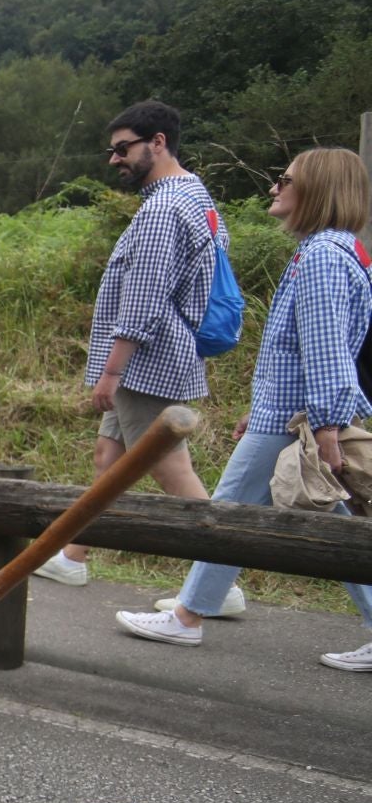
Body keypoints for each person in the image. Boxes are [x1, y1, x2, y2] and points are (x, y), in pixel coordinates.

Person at [116, 148, 372, 668]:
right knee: (338, 522)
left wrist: (325, 425)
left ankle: (188, 616)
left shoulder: (323, 256)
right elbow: (308, 350)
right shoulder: (337, 250)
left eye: (287, 180)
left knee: (229, 510)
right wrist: (264, 409)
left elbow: (326, 351)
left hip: (297, 422)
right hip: (289, 417)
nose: (275, 188)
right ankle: (191, 613)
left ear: (318, 190)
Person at [35, 100, 219, 590]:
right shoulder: (193, 195)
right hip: (154, 356)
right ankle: (74, 555)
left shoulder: (163, 208)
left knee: (167, 466)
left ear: (157, 143)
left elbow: (145, 295)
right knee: (108, 455)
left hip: (147, 361)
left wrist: (113, 370)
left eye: (123, 149)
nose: (114, 159)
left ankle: (217, 582)